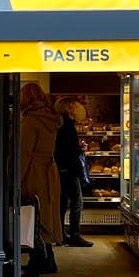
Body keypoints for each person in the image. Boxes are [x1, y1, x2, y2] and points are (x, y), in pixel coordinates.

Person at [20, 82, 62, 277]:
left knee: (33, 218)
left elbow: (24, 154)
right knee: (45, 216)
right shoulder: (51, 119)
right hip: (49, 172)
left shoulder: (30, 121)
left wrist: (16, 181)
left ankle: (36, 265)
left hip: (34, 174)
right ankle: (48, 260)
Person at [54, 96, 94, 247]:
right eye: (75, 106)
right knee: (77, 202)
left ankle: (60, 234)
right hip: (70, 170)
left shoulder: (59, 123)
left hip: (61, 169)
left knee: (62, 203)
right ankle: (75, 235)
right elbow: (69, 151)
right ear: (69, 108)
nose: (77, 109)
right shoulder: (68, 125)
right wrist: (79, 150)